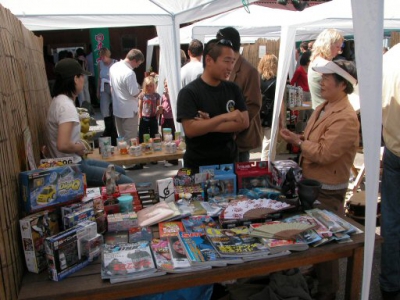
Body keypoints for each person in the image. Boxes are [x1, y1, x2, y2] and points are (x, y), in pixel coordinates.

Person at [280, 59, 359, 300]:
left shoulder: (345, 116)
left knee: (328, 242)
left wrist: (299, 142)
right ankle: (317, 278)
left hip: (328, 188)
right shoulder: (324, 106)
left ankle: (328, 291)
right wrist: (300, 137)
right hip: (314, 183)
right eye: (322, 77)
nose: (321, 82)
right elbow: (316, 139)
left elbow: (325, 154)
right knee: (318, 236)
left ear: (342, 85)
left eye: (327, 78)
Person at [46, 58, 133, 187]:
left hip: (75, 161)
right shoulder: (65, 106)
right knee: (128, 183)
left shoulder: (59, 100)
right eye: (82, 77)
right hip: (72, 167)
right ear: (75, 79)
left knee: (119, 170)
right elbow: (63, 145)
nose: (83, 81)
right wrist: (80, 147)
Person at [176, 38, 249, 172]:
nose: (230, 67)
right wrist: (225, 117)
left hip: (229, 165)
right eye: (226, 61)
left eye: (233, 62)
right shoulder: (189, 92)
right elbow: (191, 129)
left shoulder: (233, 89)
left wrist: (208, 123)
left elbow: (243, 122)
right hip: (198, 167)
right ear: (209, 60)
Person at [216, 27, 262, 162]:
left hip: (240, 138)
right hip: (222, 136)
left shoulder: (249, 71)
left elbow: (253, 105)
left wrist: (234, 129)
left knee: (238, 177)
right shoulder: (222, 67)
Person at [380, 43, 400, 300]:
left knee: (392, 220)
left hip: (393, 147)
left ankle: (390, 283)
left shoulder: (391, 55)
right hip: (393, 149)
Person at [109, 48, 144, 144]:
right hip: (129, 111)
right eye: (138, 64)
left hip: (117, 109)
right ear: (134, 60)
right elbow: (134, 93)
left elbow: (111, 88)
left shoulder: (113, 67)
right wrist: (142, 92)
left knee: (121, 139)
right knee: (131, 140)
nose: (137, 66)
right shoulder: (130, 73)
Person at [308, 28, 344, 109]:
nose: (339, 50)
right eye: (337, 46)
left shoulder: (316, 61)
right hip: (326, 112)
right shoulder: (323, 64)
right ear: (328, 45)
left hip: (321, 110)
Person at [258, 53, 278, 162]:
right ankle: (266, 165)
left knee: (263, 139)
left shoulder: (257, 78)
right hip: (270, 113)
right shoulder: (276, 81)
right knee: (269, 141)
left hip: (258, 111)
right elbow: (281, 102)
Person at [97, 47, 119, 145]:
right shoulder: (100, 64)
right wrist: (98, 91)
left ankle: (115, 129)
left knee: (115, 108)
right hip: (103, 87)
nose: (103, 58)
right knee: (105, 108)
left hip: (113, 87)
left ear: (108, 55)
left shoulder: (115, 63)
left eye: (104, 56)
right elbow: (99, 78)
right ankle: (108, 128)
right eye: (101, 57)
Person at [160, 80, 178, 167]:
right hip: (164, 118)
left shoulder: (174, 94)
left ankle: (174, 160)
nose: (167, 87)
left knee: (173, 139)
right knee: (165, 139)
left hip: (172, 119)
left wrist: (169, 96)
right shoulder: (162, 95)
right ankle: (167, 158)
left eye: (168, 85)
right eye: (166, 85)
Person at [138, 76, 162, 143]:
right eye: (147, 86)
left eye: (151, 86)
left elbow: (158, 107)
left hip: (153, 117)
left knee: (154, 134)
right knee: (144, 134)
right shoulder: (142, 95)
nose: (149, 88)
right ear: (145, 86)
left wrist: (157, 116)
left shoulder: (156, 95)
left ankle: (155, 146)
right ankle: (144, 145)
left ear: (153, 86)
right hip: (144, 117)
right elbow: (140, 107)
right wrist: (140, 116)